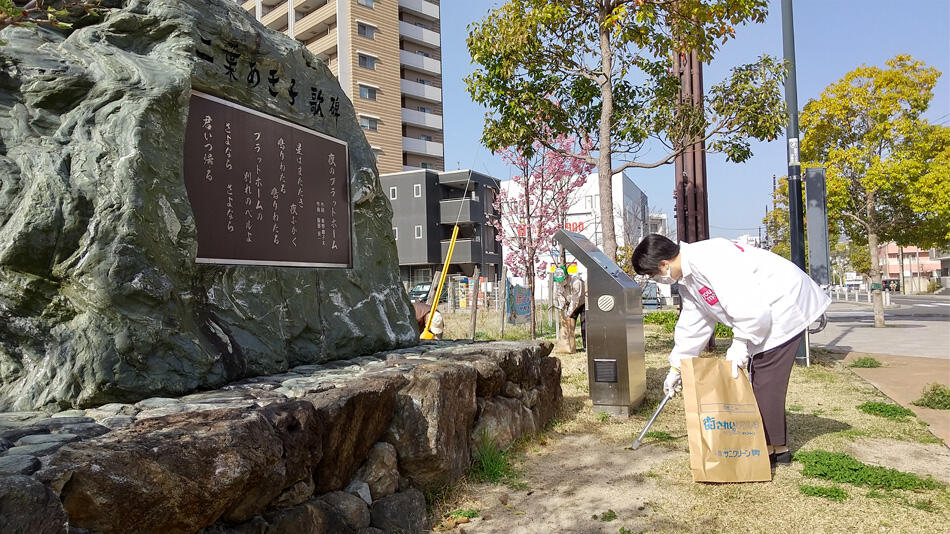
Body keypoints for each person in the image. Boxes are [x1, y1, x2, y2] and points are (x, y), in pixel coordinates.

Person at [631, 234, 830, 466]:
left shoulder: (710, 258)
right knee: (764, 380)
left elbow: (747, 304)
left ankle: (767, 449)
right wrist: (677, 366)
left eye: (652, 275)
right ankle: (775, 447)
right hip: (768, 313)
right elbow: (693, 324)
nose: (656, 280)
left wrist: (740, 342)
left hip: (784, 306)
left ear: (664, 264)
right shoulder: (688, 277)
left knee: (765, 380)